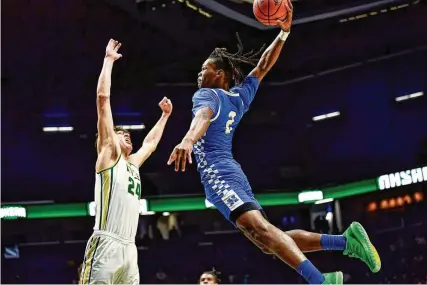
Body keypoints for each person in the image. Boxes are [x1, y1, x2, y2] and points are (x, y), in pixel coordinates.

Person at [167, 1, 380, 283]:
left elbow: (203, 117)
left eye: (204, 68)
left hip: (219, 173)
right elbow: (262, 67)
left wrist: (187, 139)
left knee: (263, 232)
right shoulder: (239, 98)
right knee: (269, 240)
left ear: (220, 74)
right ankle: (346, 242)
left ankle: (320, 281)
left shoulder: (206, 96)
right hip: (232, 171)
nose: (199, 74)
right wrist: (283, 34)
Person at [80, 39, 173, 284]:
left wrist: (165, 116)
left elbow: (150, 145)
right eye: (122, 134)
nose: (127, 135)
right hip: (106, 242)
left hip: (129, 248)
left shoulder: (132, 164)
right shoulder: (108, 154)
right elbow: (102, 98)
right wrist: (108, 60)